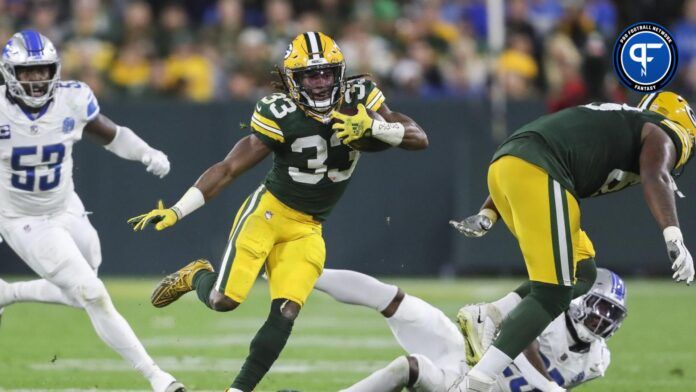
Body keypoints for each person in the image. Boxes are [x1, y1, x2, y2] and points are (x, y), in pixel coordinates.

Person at [127, 31, 428, 391]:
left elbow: (418, 137)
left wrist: (377, 126)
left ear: (340, 73)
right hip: (268, 214)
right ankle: (196, 276)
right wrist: (178, 209)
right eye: (309, 76)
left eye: (326, 74)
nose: (319, 83)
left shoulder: (359, 97)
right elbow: (229, 168)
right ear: (292, 81)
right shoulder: (280, 111)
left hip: (309, 227)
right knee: (224, 301)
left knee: (286, 311)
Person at [449, 93, 695, 391]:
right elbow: (657, 174)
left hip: (513, 164)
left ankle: (491, 313)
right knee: (553, 293)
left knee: (584, 273)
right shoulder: (665, 131)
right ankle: (478, 382)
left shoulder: (624, 122)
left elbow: (531, 150)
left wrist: (488, 213)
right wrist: (674, 236)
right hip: (539, 169)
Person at [0, 31, 182, 391]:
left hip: (67, 205)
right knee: (92, 292)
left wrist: (146, 152)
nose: (37, 80)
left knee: (84, 286)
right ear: (9, 72)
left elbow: (112, 135)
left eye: (43, 70)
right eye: (28, 72)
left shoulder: (72, 99)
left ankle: (8, 294)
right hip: (25, 220)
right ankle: (157, 377)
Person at [312, 267, 626, 392]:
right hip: (466, 352)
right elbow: (519, 339)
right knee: (396, 301)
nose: (603, 319)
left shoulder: (596, 361)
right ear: (580, 301)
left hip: (472, 387)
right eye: (600, 308)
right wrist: (548, 387)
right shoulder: (550, 312)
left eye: (611, 313)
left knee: (408, 367)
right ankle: (305, 272)